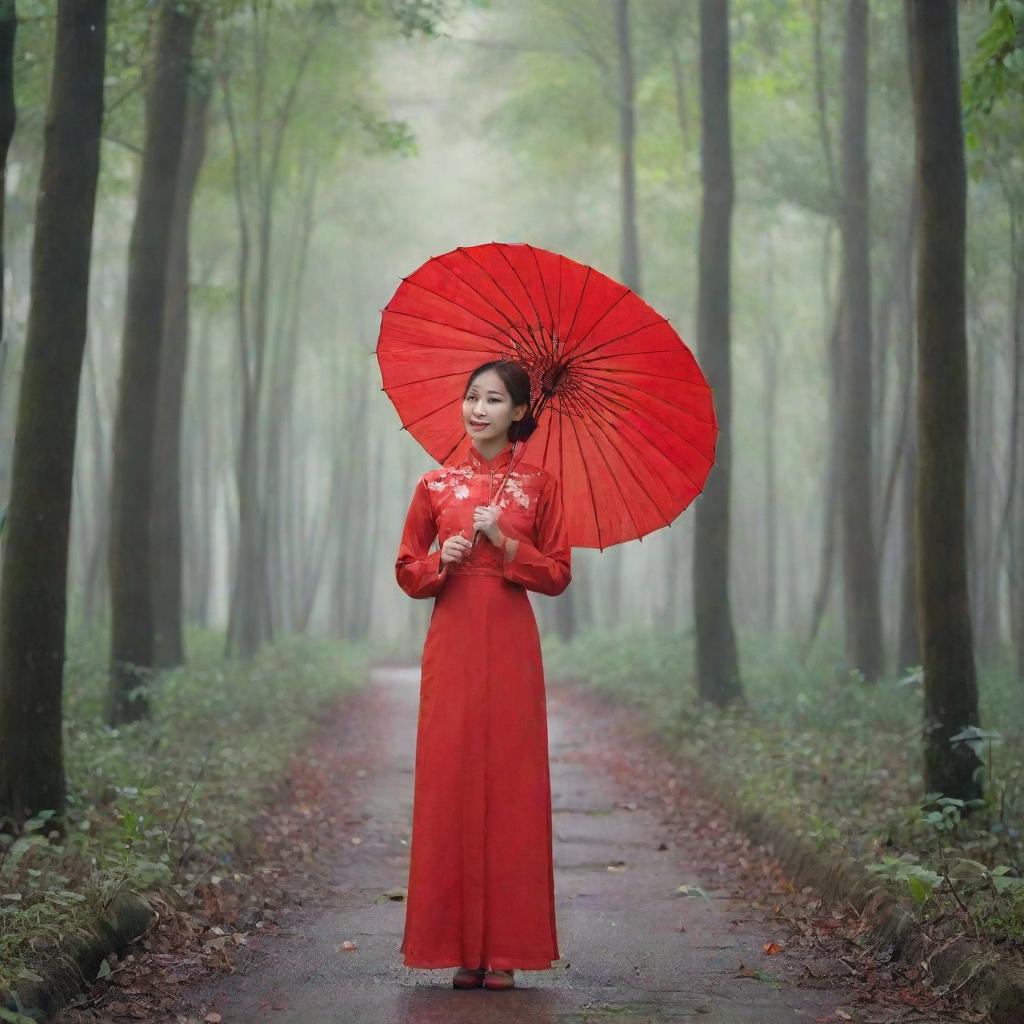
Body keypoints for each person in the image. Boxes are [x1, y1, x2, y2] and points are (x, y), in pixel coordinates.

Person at [394, 358, 572, 991]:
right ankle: (456, 947)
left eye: (494, 400)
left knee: (511, 785)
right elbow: (408, 570)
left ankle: (504, 949)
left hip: (511, 646)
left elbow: (557, 575)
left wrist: (507, 544)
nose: (479, 409)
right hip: (453, 643)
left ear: (520, 412)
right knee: (450, 780)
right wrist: (442, 557)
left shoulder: (541, 486)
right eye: (472, 397)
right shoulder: (433, 485)